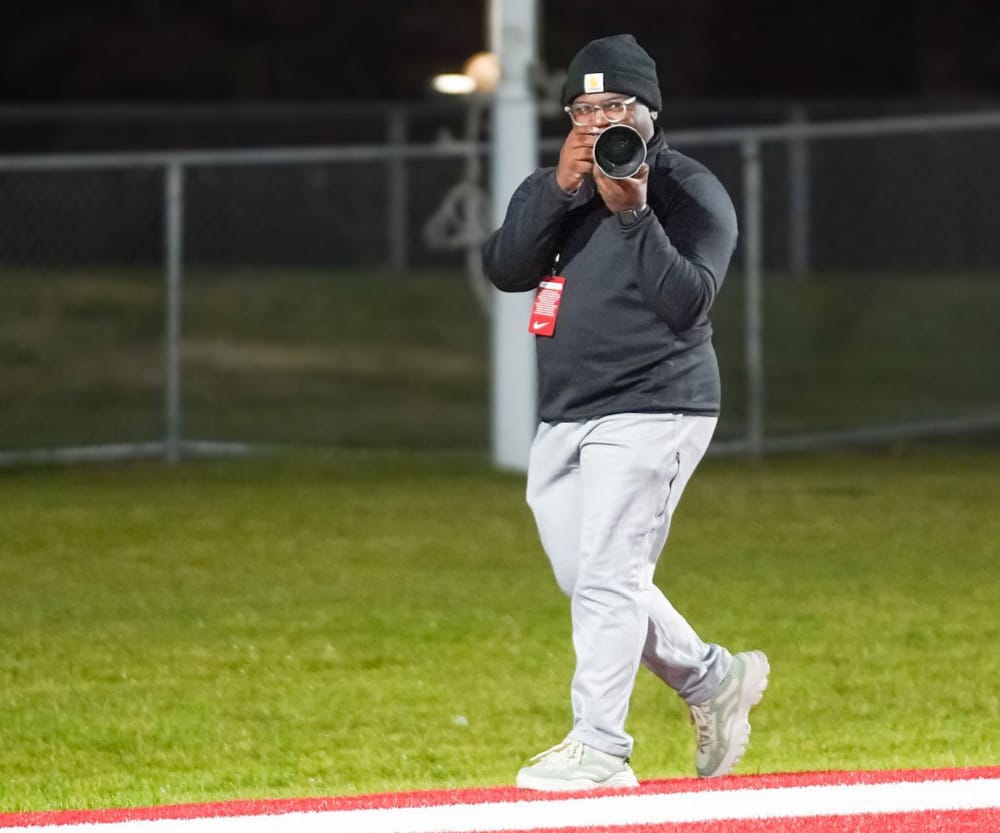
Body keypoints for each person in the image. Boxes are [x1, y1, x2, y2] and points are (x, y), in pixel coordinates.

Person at [481, 34, 769, 791]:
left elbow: (687, 302)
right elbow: (506, 267)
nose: (600, 118)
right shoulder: (558, 186)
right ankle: (709, 677)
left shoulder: (688, 190)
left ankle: (601, 745)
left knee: (610, 573)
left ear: (649, 112)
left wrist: (636, 215)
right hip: (567, 411)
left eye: (615, 106)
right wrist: (558, 190)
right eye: (585, 107)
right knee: (590, 576)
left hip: (657, 403)